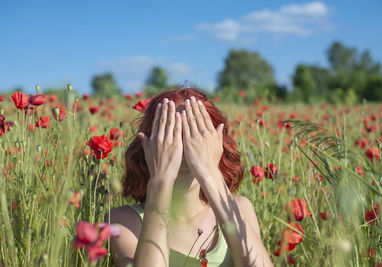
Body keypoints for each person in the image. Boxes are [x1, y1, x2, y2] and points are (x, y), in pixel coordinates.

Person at [108, 87, 273, 267]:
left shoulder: (241, 207)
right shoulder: (125, 220)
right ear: (148, 146)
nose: (183, 152)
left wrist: (210, 172)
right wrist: (161, 178)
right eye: (170, 137)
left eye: (196, 137)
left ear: (216, 145)